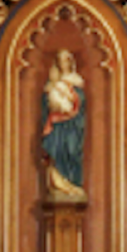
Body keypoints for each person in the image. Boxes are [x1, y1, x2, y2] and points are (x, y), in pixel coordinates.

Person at [40, 49, 87, 202]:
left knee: (72, 151)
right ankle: (59, 184)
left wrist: (71, 98)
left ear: (70, 62)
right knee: (58, 150)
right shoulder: (53, 83)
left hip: (73, 125)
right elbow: (46, 105)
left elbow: (80, 101)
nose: (63, 63)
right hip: (58, 127)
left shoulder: (76, 81)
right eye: (60, 60)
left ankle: (72, 184)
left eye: (65, 60)